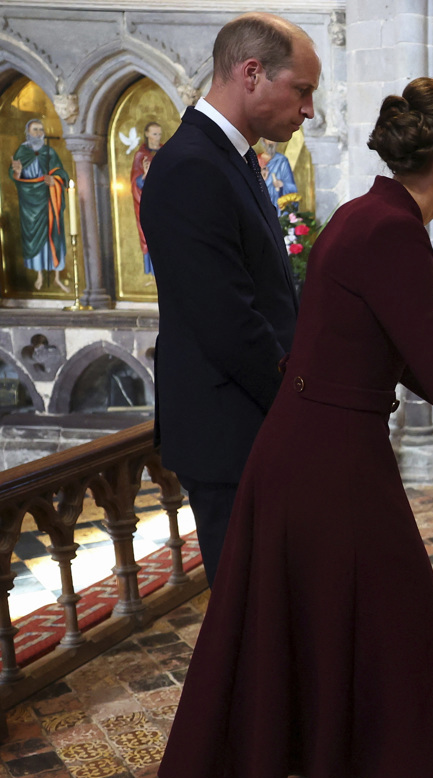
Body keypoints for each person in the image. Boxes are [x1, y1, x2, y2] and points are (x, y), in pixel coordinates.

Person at [156, 47, 433, 778]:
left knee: (343, 625)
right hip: (327, 462)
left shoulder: (371, 215)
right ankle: (408, 776)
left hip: (319, 451)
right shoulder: (390, 231)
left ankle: (335, 768)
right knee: (393, 619)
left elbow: (396, 355)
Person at [141, 12, 319, 597]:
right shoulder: (192, 165)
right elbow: (230, 322)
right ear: (251, 73)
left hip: (249, 420)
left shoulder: (231, 157)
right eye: (302, 91)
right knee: (251, 608)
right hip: (230, 428)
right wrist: (301, 405)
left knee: (277, 597)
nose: (308, 110)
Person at [9, 118, 69, 291]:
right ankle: (39, 276)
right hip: (30, 204)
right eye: (35, 130)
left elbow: (61, 173)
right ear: (28, 132)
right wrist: (18, 172)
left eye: (41, 130)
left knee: (54, 234)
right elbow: (13, 174)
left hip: (49, 201)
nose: (38, 133)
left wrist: (55, 181)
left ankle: (57, 277)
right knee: (35, 238)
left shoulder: (49, 152)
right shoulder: (22, 151)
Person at [130, 121, 162, 275]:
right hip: (146, 204)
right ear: (147, 134)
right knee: (148, 235)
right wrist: (145, 175)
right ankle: (151, 273)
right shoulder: (141, 156)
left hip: (164, 204)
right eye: (155, 134)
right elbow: (135, 181)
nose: (158, 137)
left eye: (159, 134)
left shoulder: (165, 152)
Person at [258, 138, 297, 208]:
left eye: (273, 139)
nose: (270, 142)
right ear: (263, 141)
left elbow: (292, 187)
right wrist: (262, 179)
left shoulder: (282, 161)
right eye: (268, 139)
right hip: (261, 203)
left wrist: (282, 185)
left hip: (278, 204)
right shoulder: (256, 160)